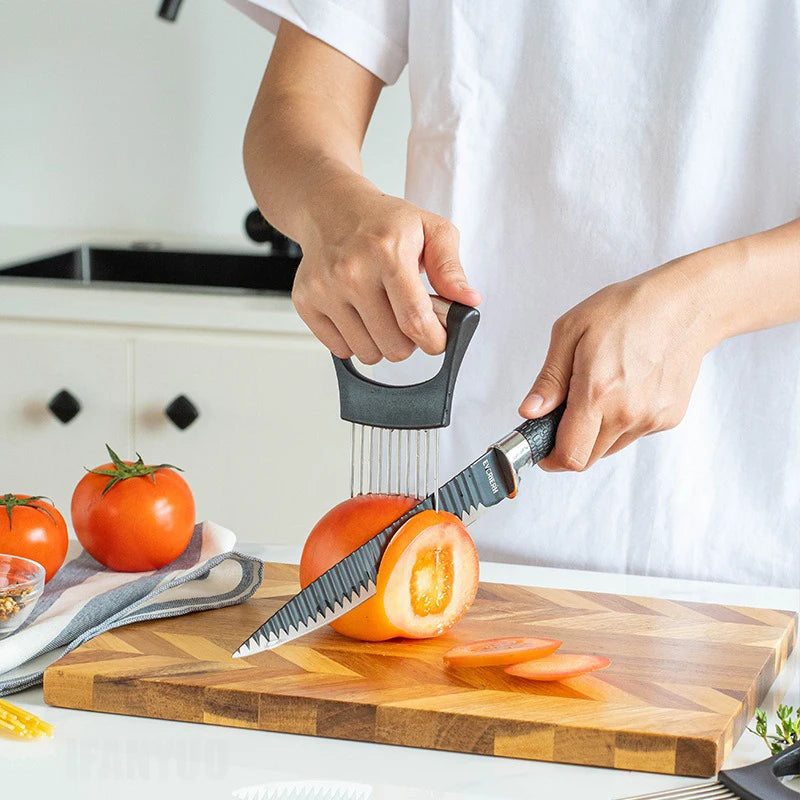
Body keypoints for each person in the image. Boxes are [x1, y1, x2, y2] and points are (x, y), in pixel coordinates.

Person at [230, 1, 800, 586]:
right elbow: (298, 105)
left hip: (754, 545)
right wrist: (331, 203)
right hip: (461, 536)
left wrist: (702, 305)